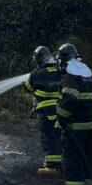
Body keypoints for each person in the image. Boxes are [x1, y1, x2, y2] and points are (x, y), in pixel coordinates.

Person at [56, 43, 92, 185]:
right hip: (89, 123)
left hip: (75, 125)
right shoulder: (86, 72)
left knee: (72, 157)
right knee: (89, 156)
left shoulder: (70, 75)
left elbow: (70, 99)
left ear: (64, 58)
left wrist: (61, 116)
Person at [23, 46, 62, 175]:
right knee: (57, 136)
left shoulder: (36, 74)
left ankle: (52, 166)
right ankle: (58, 163)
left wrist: (26, 80)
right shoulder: (58, 71)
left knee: (48, 137)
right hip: (61, 111)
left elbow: (28, 88)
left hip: (46, 112)